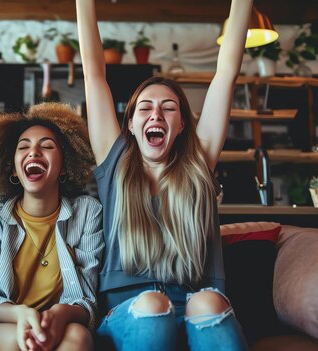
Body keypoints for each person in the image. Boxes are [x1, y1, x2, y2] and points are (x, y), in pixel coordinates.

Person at [76, 0, 253, 349]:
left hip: (194, 303)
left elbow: (226, 72)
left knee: (209, 301)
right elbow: (94, 73)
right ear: (130, 123)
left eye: (168, 108)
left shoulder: (197, 165)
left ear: (182, 124)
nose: (156, 113)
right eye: (145, 108)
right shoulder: (115, 165)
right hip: (129, 311)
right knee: (153, 303)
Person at [0, 103, 104, 351]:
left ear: (65, 165)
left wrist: (59, 315)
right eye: (24, 147)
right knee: (19, 341)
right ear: (14, 168)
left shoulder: (87, 213)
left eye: (46, 146)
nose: (34, 152)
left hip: (59, 327)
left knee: (77, 337)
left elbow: (86, 301)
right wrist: (21, 315)